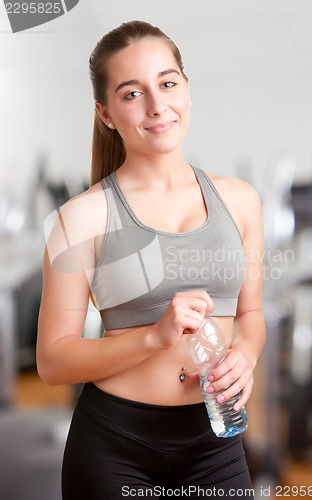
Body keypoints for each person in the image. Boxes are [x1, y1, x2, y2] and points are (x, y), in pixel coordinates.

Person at [37, 20, 265, 499]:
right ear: (105, 113)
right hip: (115, 445)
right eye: (132, 93)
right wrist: (154, 337)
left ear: (186, 89)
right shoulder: (79, 219)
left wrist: (245, 353)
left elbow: (250, 314)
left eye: (167, 83)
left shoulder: (240, 201)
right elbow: (52, 361)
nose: (158, 105)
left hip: (216, 440)